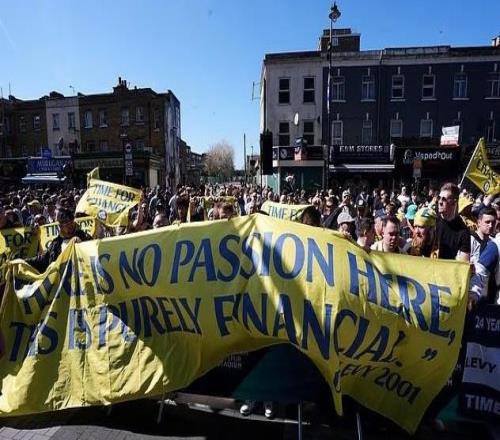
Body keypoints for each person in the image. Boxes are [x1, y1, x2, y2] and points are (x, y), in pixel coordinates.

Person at [26, 208, 92, 273]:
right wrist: (25, 262)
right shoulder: (56, 243)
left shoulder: (84, 237)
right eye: (66, 224)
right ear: (60, 226)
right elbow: (44, 259)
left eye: (71, 222)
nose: (70, 226)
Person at [435, 182, 470, 261]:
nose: (440, 202)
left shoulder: (463, 232)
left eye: (444, 199)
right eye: (439, 198)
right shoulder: (433, 221)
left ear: (454, 202)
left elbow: (463, 264)